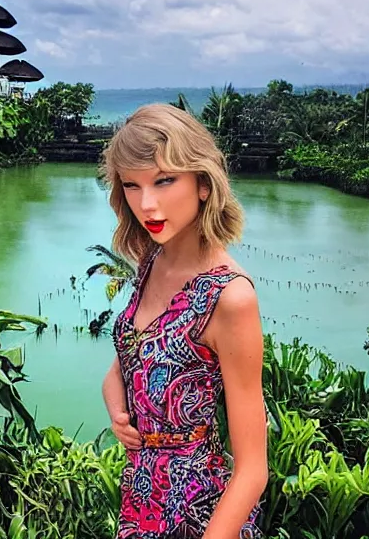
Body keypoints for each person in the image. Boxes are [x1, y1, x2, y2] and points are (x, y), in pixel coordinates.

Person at [100, 103, 268, 539]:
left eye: (164, 180)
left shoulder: (229, 297)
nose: (147, 204)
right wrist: (116, 403)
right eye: (132, 186)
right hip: (141, 500)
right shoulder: (150, 259)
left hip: (198, 512)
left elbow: (253, 470)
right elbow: (131, 360)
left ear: (203, 184)